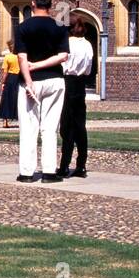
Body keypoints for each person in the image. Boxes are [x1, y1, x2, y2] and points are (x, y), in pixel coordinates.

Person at [14, 0, 69, 183]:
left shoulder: (23, 27)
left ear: (33, 3)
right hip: (55, 80)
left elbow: (22, 57)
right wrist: (41, 65)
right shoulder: (61, 26)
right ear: (51, 4)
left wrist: (29, 80)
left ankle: (27, 173)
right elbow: (63, 56)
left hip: (32, 81)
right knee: (50, 127)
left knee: (29, 127)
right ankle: (49, 172)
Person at [58, 17, 95, 179]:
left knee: (66, 126)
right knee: (80, 125)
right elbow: (88, 68)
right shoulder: (87, 44)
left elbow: (62, 64)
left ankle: (64, 165)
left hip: (68, 82)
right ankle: (81, 165)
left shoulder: (67, 44)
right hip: (81, 84)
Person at [0, 39, 20, 129]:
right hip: (19, 78)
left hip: (10, 78)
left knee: (6, 99)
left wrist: (3, 82)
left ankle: (5, 121)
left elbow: (5, 72)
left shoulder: (7, 57)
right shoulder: (20, 56)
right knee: (19, 99)